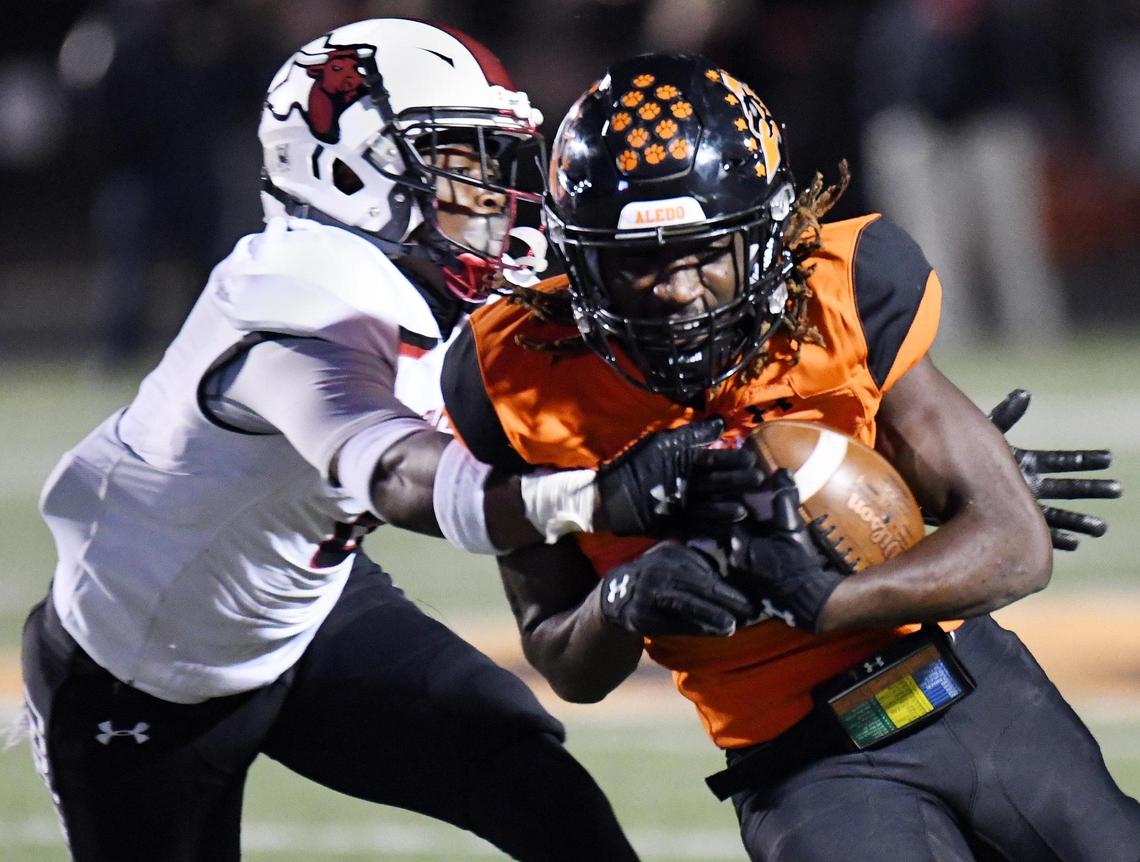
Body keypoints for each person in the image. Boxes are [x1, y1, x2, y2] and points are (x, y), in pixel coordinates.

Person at [20, 23, 765, 861]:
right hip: (142, 674)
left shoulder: (424, 275)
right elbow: (401, 477)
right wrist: (597, 496)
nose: (489, 192)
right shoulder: (297, 293)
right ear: (347, 165)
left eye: (491, 160)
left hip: (304, 599)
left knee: (529, 776)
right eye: (461, 159)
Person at [441, 52, 1140, 860]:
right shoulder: (513, 374)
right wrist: (623, 600)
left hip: (966, 684)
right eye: (638, 263)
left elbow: (1015, 546)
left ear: (768, 239)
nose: (676, 289)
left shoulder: (842, 288)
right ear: (581, 258)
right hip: (801, 765)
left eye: (704, 252)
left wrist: (825, 597)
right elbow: (564, 659)